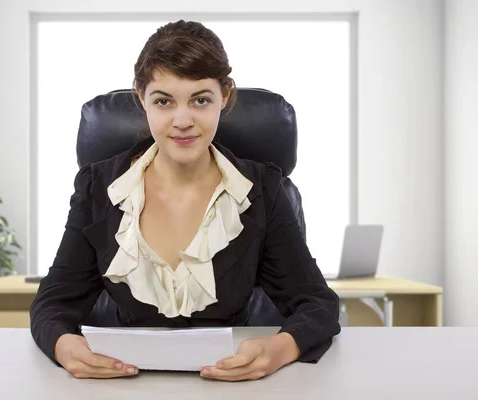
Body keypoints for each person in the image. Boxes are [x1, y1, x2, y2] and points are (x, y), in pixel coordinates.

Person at [30, 19, 341, 382]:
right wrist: (64, 347)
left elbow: (317, 304)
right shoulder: (99, 187)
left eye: (200, 100)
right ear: (141, 97)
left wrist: (277, 351)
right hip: (120, 386)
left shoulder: (261, 188)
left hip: (238, 388)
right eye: (163, 101)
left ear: (224, 96)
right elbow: (53, 304)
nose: (182, 120)